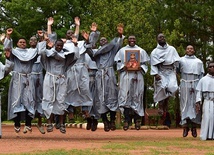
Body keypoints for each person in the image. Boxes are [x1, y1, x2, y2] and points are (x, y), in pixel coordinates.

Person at [37, 31, 79, 134]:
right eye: (58, 45)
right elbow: (41, 52)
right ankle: (49, 123)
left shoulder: (66, 55)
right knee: (48, 99)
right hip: (50, 78)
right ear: (55, 45)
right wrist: (43, 40)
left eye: (61, 45)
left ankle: (61, 123)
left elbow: (76, 57)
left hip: (61, 79)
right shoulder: (49, 54)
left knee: (61, 101)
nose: (59, 47)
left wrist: (75, 45)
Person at [4, 28, 38, 134]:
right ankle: (17, 123)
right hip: (17, 79)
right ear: (17, 44)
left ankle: (28, 123)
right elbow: (7, 48)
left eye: (24, 42)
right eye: (20, 42)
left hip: (28, 78)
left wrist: (42, 38)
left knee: (29, 99)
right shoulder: (14, 52)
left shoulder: (30, 52)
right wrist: (8, 36)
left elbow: (40, 50)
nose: (22, 43)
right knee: (16, 100)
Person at [92, 23, 124, 132]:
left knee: (112, 97)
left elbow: (118, 45)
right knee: (100, 98)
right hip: (99, 75)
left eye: (105, 40)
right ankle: (105, 121)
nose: (104, 42)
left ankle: (112, 120)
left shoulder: (112, 51)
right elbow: (88, 49)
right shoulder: (96, 52)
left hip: (110, 74)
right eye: (101, 41)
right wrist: (92, 35)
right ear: (99, 43)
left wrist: (120, 35)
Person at [115, 35, 150, 130]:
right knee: (125, 97)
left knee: (137, 96)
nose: (132, 40)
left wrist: (140, 68)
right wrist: (123, 66)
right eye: (130, 39)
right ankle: (126, 120)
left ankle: (137, 121)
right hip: (125, 76)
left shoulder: (141, 51)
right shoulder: (122, 51)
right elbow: (117, 62)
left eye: (134, 39)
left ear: (136, 40)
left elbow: (145, 64)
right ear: (127, 40)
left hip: (137, 76)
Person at [150, 33, 180, 118]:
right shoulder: (154, 52)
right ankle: (160, 104)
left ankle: (166, 101)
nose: (162, 38)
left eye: (163, 37)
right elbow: (153, 65)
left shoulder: (172, 49)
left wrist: (177, 70)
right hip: (160, 71)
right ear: (157, 39)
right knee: (162, 86)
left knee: (173, 87)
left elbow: (177, 61)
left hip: (170, 71)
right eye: (160, 37)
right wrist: (155, 74)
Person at [178, 45, 204, 138]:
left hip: (195, 84)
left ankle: (194, 127)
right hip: (184, 84)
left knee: (195, 105)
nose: (189, 50)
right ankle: (185, 126)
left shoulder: (199, 62)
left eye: (191, 49)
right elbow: (176, 71)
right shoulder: (180, 60)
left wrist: (200, 87)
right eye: (188, 48)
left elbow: (201, 75)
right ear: (186, 50)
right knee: (184, 105)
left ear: (194, 50)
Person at [29, 36, 45, 134]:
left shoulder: (41, 52)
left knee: (40, 98)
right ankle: (28, 123)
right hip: (30, 76)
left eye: (35, 40)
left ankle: (40, 122)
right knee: (30, 98)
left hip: (40, 75)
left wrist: (42, 39)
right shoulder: (27, 52)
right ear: (29, 42)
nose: (33, 41)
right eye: (31, 40)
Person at [196, 61, 214, 140]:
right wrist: (198, 102)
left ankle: (212, 136)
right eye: (210, 67)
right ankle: (205, 135)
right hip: (207, 101)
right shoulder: (203, 79)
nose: (212, 68)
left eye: (213, 66)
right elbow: (198, 92)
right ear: (207, 68)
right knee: (207, 117)